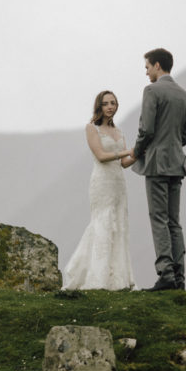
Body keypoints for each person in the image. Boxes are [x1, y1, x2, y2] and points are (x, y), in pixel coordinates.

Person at [62, 90, 137, 290]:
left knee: (118, 224)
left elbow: (123, 163)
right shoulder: (92, 128)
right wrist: (127, 151)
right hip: (102, 182)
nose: (110, 106)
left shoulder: (120, 132)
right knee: (102, 223)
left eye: (113, 103)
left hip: (118, 183)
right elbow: (101, 156)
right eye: (106, 103)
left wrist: (137, 153)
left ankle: (118, 279)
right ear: (99, 106)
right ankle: (97, 277)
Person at [130, 48, 186, 291]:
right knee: (174, 221)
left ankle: (165, 273)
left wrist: (136, 152)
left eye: (147, 67)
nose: (146, 73)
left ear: (157, 65)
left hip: (157, 164)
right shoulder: (184, 95)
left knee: (158, 218)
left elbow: (146, 129)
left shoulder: (152, 91)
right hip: (177, 164)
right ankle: (179, 277)